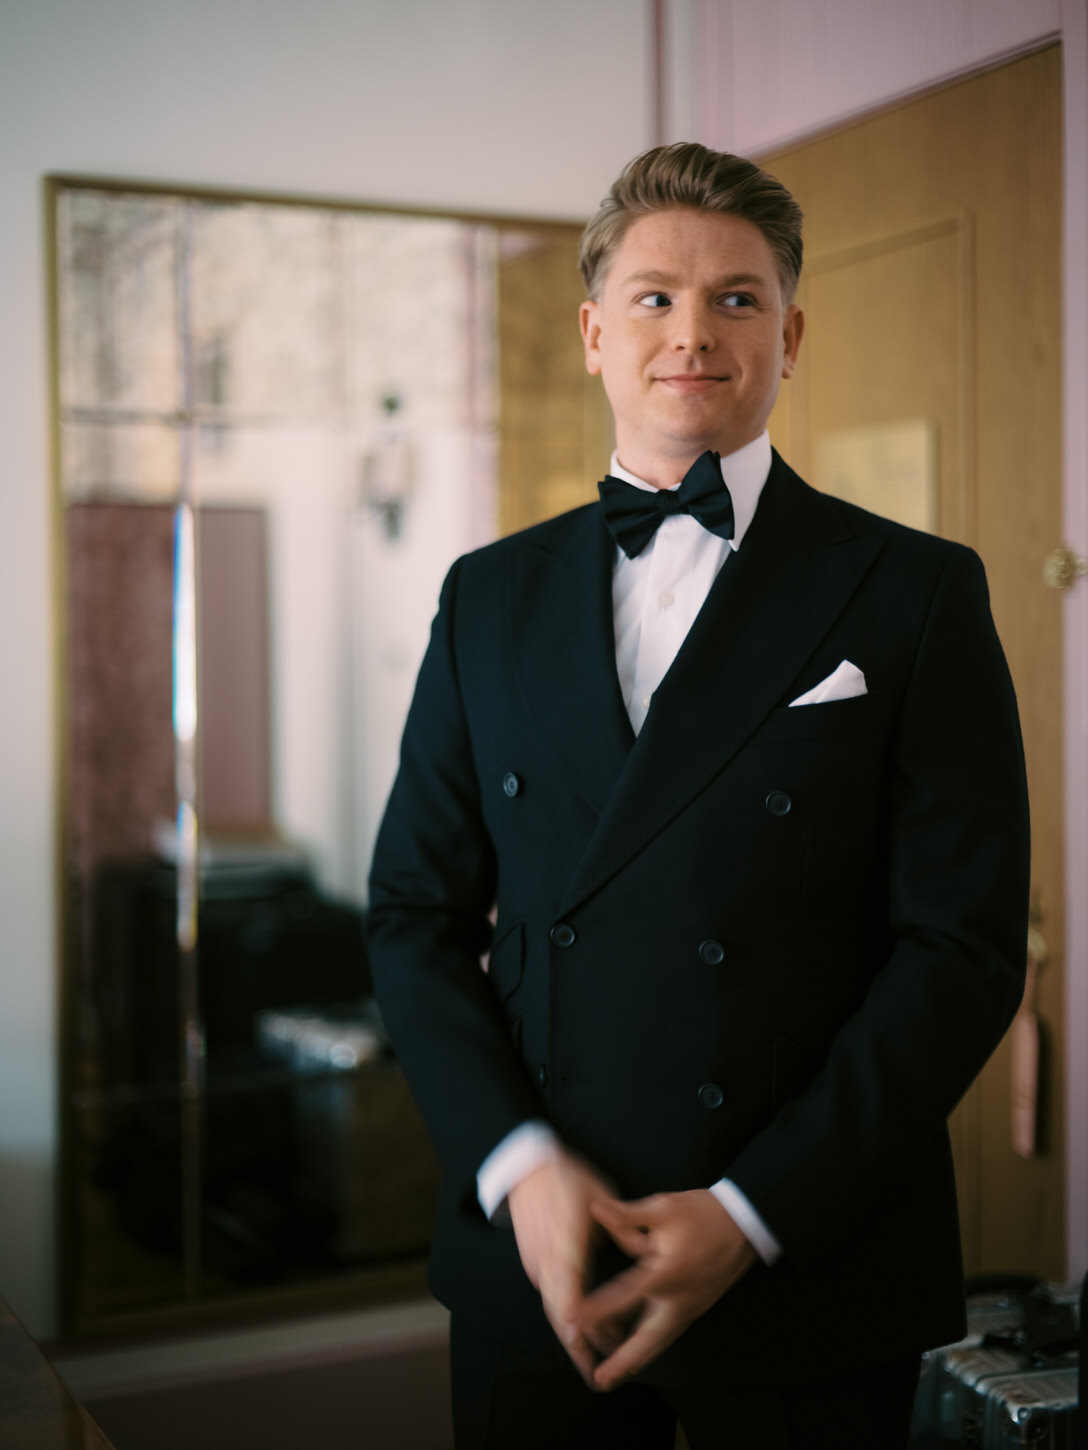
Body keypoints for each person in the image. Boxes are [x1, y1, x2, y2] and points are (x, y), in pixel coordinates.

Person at [366, 142, 1029, 1449]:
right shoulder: (485, 595)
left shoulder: (915, 590)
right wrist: (519, 1163)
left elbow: (959, 948)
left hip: (810, 1255)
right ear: (595, 328)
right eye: (656, 295)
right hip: (539, 1259)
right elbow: (412, 913)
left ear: (790, 332)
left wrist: (753, 1209)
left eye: (737, 297)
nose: (695, 331)